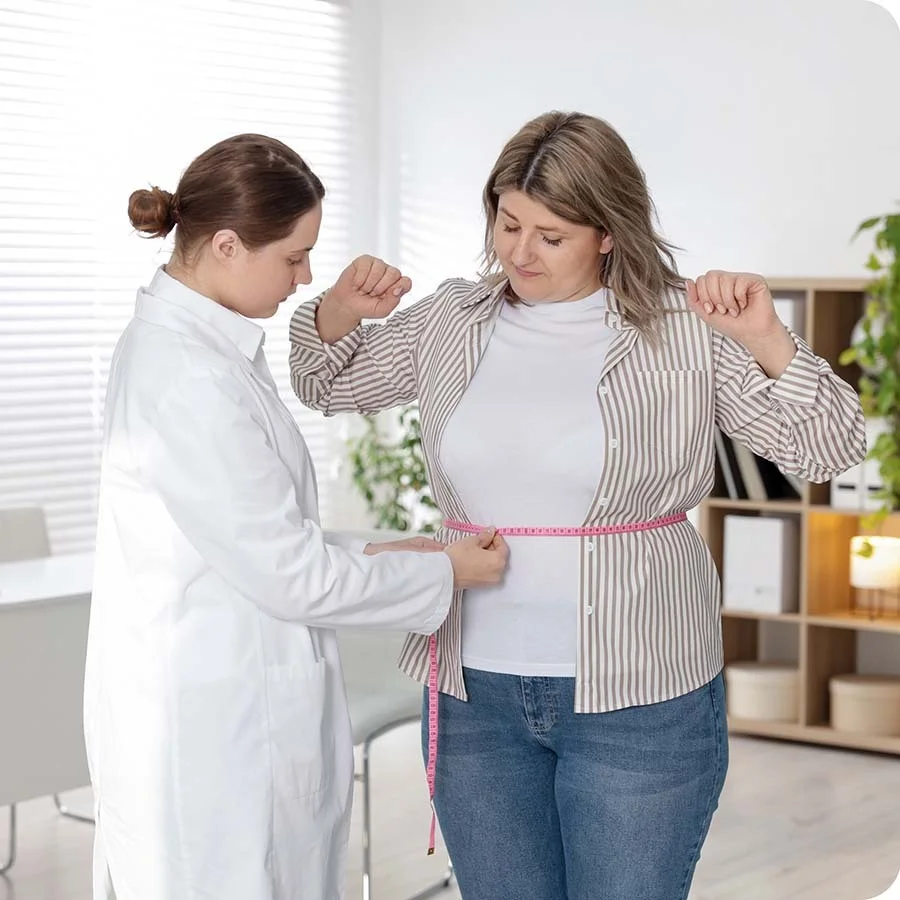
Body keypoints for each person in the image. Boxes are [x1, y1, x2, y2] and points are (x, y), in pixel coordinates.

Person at [288, 111, 866, 900]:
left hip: (641, 696)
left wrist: (768, 337)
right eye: (507, 220)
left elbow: (828, 448)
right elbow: (327, 380)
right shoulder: (453, 321)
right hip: (472, 696)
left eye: (550, 235)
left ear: (607, 232)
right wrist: (342, 310)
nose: (518, 251)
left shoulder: (685, 333)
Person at [83, 133, 508, 900]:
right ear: (224, 246)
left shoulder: (205, 353)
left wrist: (392, 552)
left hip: (229, 705)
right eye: (293, 257)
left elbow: (259, 535)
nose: (306, 276)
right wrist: (444, 569)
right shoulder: (186, 378)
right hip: (215, 731)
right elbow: (287, 572)